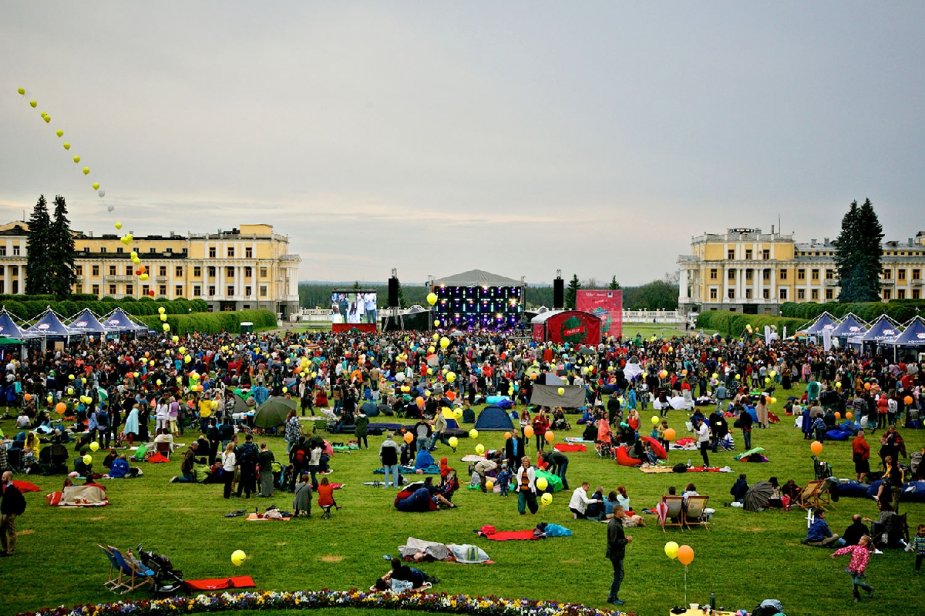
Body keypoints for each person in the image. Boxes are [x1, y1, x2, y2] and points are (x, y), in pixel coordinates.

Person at [831, 536, 874, 602]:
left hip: (859, 571)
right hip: (852, 569)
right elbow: (845, 549)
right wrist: (836, 553)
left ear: (865, 543)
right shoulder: (855, 547)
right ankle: (856, 597)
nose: (860, 539)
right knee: (854, 585)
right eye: (860, 538)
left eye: (862, 539)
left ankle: (869, 588)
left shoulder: (866, 552)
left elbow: (864, 562)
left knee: (856, 582)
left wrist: (860, 569)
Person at [605, 505, 632, 606]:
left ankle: (614, 596)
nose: (623, 511)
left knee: (619, 574)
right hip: (615, 554)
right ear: (617, 512)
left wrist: (623, 538)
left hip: (617, 553)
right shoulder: (613, 524)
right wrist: (626, 540)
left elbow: (616, 538)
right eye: (622, 510)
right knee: (619, 575)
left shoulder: (617, 522)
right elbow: (613, 542)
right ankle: (612, 597)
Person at [1, 470, 26, 556]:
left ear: (9, 478)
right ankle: (5, 548)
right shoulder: (6, 487)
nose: (2, 478)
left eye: (3, 477)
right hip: (5, 514)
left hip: (9, 514)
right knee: (1, 530)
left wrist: (14, 513)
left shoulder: (13, 490)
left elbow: (22, 502)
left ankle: (10, 550)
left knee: (11, 532)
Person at [236, 434, 259, 498]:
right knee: (249, 479)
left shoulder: (241, 447)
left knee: (242, 479)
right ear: (251, 439)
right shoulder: (254, 447)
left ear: (245, 439)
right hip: (251, 465)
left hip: (243, 465)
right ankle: (248, 494)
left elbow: (237, 456)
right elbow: (257, 456)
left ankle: (239, 493)